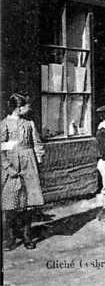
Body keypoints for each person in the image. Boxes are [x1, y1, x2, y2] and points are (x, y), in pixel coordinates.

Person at [1, 94, 44, 250]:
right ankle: (9, 237)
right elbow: (1, 149)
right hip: (11, 166)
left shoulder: (29, 123)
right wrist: (8, 167)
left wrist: (38, 162)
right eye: (27, 106)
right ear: (19, 108)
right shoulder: (4, 124)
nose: (29, 109)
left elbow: (37, 143)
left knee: (29, 203)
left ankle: (27, 236)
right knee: (10, 202)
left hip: (29, 164)